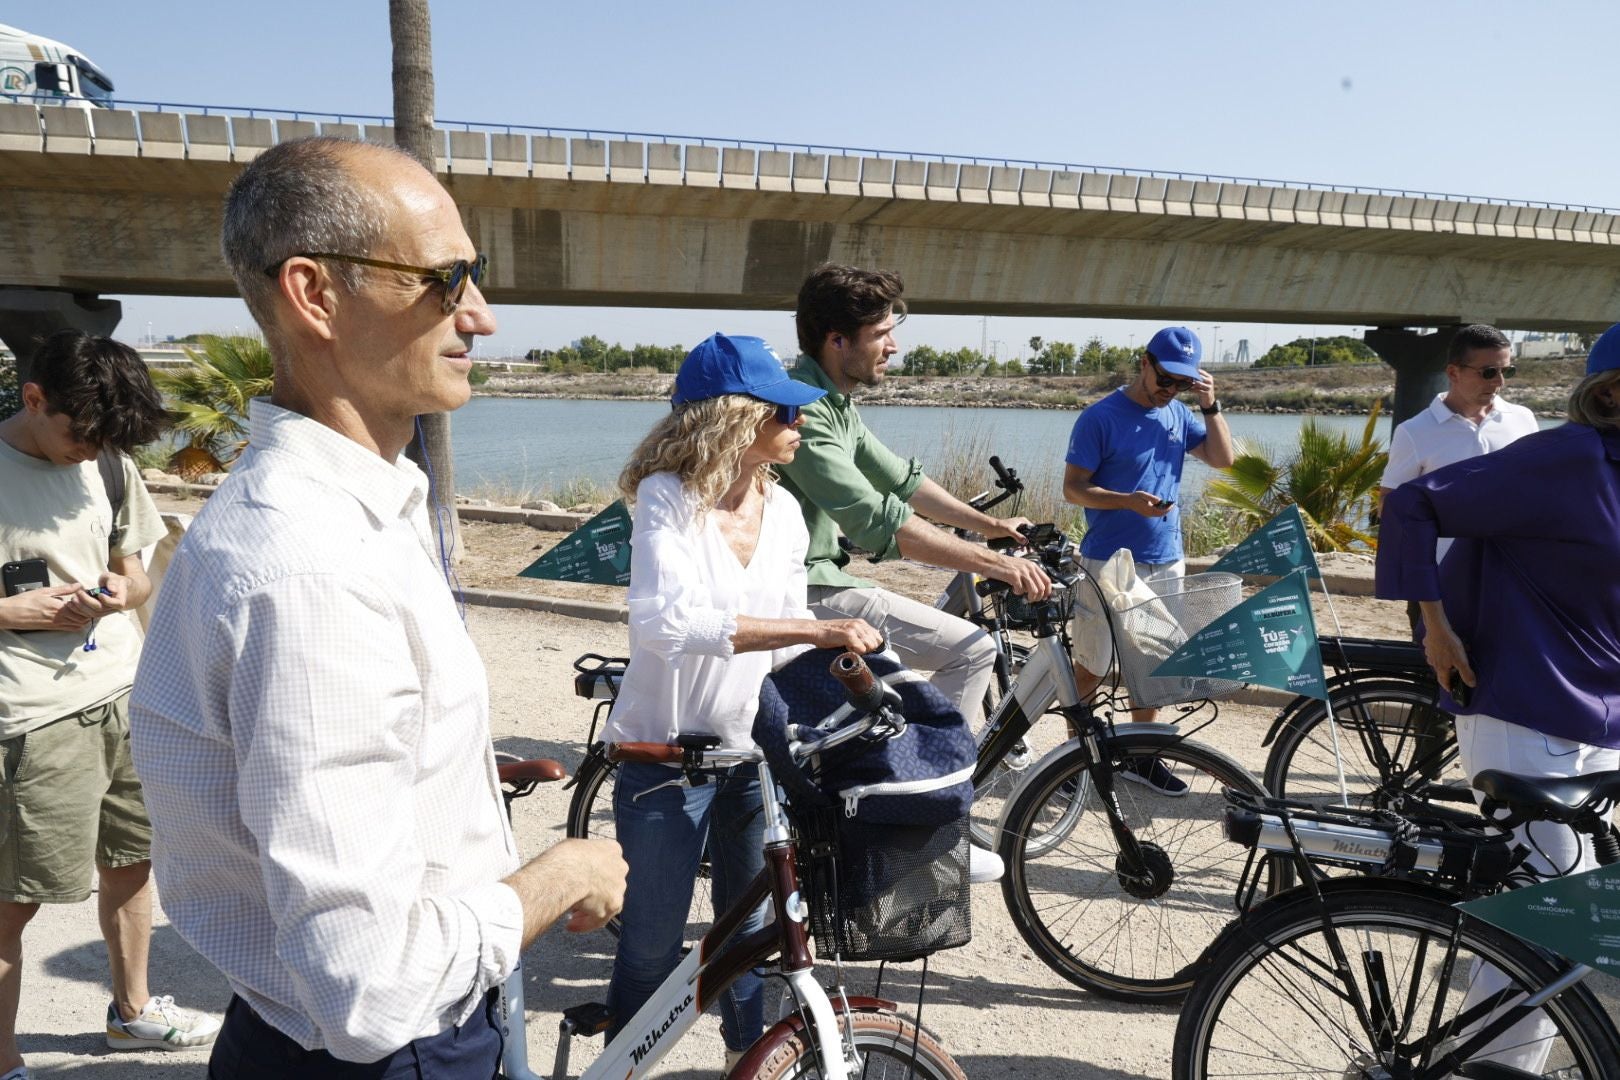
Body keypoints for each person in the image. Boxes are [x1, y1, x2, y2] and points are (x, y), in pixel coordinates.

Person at [127, 137, 627, 1077]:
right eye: (445, 279)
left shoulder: (353, 509)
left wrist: (446, 767)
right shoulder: (314, 566)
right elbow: (368, 983)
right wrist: (563, 874)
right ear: (316, 294)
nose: (478, 314)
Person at [601, 332, 882, 1069]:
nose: (799, 425)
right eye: (786, 413)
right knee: (652, 947)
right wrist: (813, 625)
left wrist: (842, 671)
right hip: (663, 760)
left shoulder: (784, 511)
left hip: (751, 757)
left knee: (753, 938)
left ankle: (745, 1065)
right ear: (736, 417)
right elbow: (661, 624)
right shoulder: (668, 500)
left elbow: (787, 648)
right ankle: (625, 1066)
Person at [1376, 324, 1620, 1074]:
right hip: (1525, 705)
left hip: (1602, 713)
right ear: (1611, 392)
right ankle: (1495, 1070)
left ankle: (1491, 1062)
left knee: (1569, 918)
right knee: (1547, 920)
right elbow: (1412, 507)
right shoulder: (1565, 458)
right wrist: (1435, 628)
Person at [0, 331, 218, 1079]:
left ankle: (131, 1015)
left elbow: (137, 572)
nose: (89, 453)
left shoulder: (112, 461)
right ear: (33, 399)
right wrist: (12, 612)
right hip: (31, 720)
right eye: (78, 435)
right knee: (13, 902)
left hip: (123, 696)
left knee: (133, 860)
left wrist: (126, 592)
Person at [775, 264, 1049, 719]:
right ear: (837, 339)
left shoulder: (832, 401)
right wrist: (996, 563)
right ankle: (928, 783)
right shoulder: (806, 408)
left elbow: (903, 480)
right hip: (802, 590)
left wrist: (992, 525)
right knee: (972, 651)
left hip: (822, 581)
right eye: (881, 333)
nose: (894, 346)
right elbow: (875, 521)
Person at [1061, 326, 1234, 783]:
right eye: (1166, 380)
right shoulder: (1101, 417)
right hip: (1107, 561)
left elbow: (1223, 458)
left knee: (1156, 664)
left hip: (1166, 555)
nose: (1171, 390)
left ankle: (1140, 757)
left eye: (1183, 382)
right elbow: (1073, 489)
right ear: (1145, 363)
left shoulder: (1178, 414)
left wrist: (1209, 404)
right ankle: (1069, 762)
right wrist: (1126, 500)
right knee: (1091, 667)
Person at [1378, 323, 1538, 631]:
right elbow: (1390, 506)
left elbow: (1536, 492)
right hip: (1440, 583)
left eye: (1508, 371)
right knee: (1440, 676)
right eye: (1489, 372)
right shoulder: (1414, 432)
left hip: (1511, 576)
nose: (1500, 382)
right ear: (1453, 372)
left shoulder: (1523, 420)